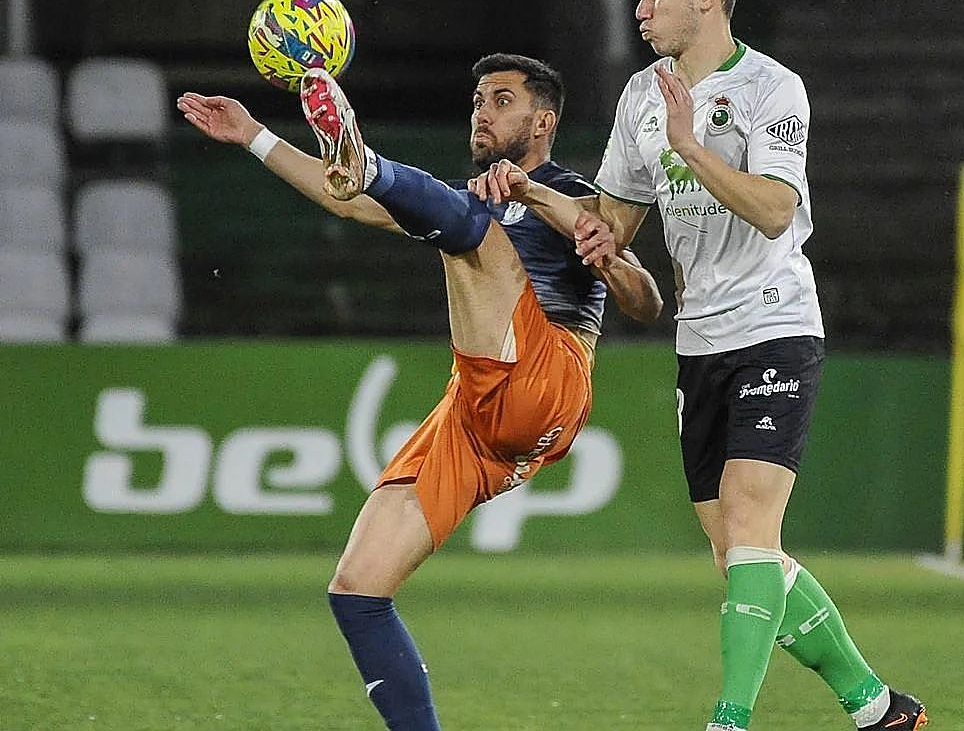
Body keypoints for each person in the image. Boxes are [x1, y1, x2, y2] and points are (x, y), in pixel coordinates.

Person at [473, 0, 926, 731]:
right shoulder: (641, 96)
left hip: (776, 325)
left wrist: (690, 147)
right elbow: (611, 224)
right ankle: (879, 707)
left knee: (753, 531)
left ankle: (729, 718)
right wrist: (535, 194)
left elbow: (776, 209)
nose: (641, 7)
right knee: (741, 559)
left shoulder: (772, 89)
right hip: (701, 340)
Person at [176, 53, 662, 730]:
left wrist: (604, 253)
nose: (481, 112)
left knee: (475, 238)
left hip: (550, 380)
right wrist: (255, 133)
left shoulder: (572, 196)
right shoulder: (465, 205)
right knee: (358, 589)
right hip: (476, 412)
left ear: (542, 121)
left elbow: (649, 302)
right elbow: (342, 196)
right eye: (476, 101)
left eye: (500, 100)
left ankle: (371, 158)